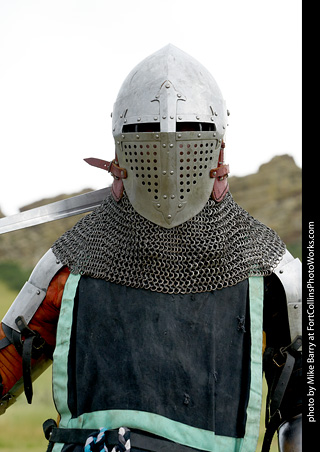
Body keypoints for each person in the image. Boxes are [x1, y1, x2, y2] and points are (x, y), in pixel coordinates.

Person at [0, 44, 301, 452]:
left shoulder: (270, 273)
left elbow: (301, 415)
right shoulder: (72, 264)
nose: (169, 161)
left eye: (190, 138)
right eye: (146, 138)